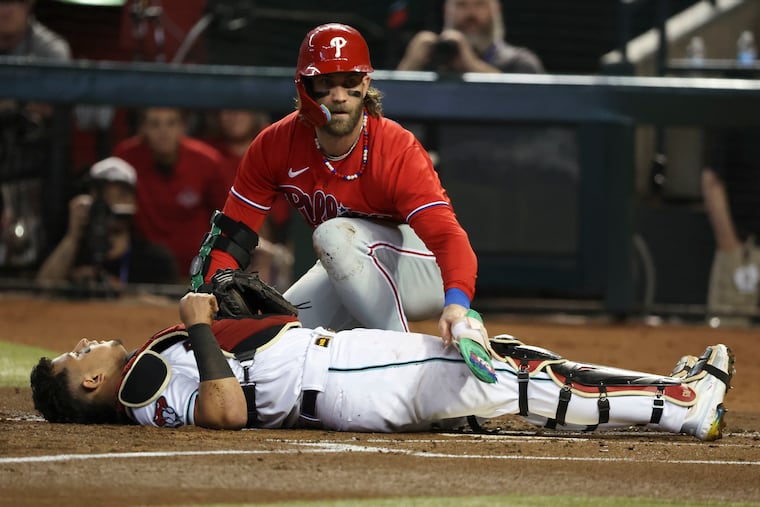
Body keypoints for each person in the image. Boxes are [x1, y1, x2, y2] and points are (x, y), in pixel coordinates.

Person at [30, 291, 734, 442]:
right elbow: (224, 411)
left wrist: (253, 318)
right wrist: (201, 326)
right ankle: (680, 405)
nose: (84, 343)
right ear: (90, 381)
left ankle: (670, 392)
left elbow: (235, 378)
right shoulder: (139, 383)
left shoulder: (144, 379)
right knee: (500, 374)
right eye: (74, 355)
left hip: (338, 374)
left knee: (511, 364)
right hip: (339, 378)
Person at [190, 23, 479, 343]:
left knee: (333, 235)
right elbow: (233, 235)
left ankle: (402, 355)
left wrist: (457, 305)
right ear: (305, 87)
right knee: (279, 338)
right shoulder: (275, 144)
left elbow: (448, 238)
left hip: (422, 271)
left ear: (366, 82)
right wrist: (207, 294)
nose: (339, 96)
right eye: (327, 83)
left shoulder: (397, 147)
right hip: (347, 269)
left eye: (350, 81)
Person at [112, 107, 229, 276]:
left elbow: (225, 219)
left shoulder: (207, 162)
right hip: (145, 269)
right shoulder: (125, 158)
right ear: (143, 129)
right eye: (155, 124)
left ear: (183, 127)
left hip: (198, 269)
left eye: (171, 123)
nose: (163, 132)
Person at [36, 157, 179, 292]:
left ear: (134, 202)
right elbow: (41, 288)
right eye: (103, 196)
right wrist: (73, 236)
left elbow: (167, 307)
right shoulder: (73, 252)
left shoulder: (155, 260)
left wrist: (119, 293)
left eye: (120, 196)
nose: (111, 203)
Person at [0, 0, 71, 269]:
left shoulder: (50, 48)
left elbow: (53, 109)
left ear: (29, 6)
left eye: (14, 2)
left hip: (34, 160)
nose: (6, 10)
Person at [203, 108, 294, 290]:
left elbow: (284, 219)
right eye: (228, 111)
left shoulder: (277, 142)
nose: (235, 115)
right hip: (225, 240)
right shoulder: (208, 156)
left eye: (242, 109)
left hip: (275, 244)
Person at [702, 127, 760, 326]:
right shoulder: (737, 113)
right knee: (729, 334)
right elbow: (712, 181)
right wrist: (731, 248)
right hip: (744, 251)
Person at [396, 0, 544, 74]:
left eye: (480, 4)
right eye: (462, 5)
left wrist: (470, 64)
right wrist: (409, 68)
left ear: (496, 10)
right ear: (447, 11)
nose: (471, 14)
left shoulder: (520, 62)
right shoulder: (427, 61)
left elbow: (526, 103)